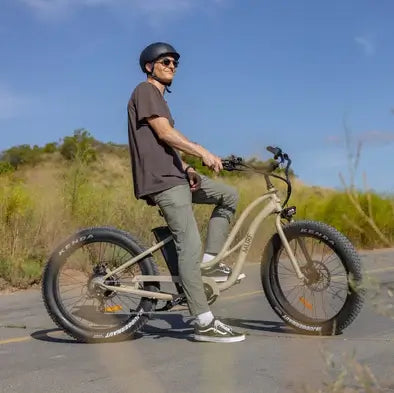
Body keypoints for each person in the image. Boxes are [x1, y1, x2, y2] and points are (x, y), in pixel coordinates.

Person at [127, 42, 245, 343]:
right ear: (149, 66)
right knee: (188, 245)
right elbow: (165, 133)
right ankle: (204, 322)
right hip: (162, 181)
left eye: (175, 63)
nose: (172, 66)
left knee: (228, 196)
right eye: (165, 61)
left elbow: (166, 143)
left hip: (176, 175)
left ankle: (210, 263)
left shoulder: (160, 100)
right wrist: (201, 151)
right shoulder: (145, 91)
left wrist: (188, 168)